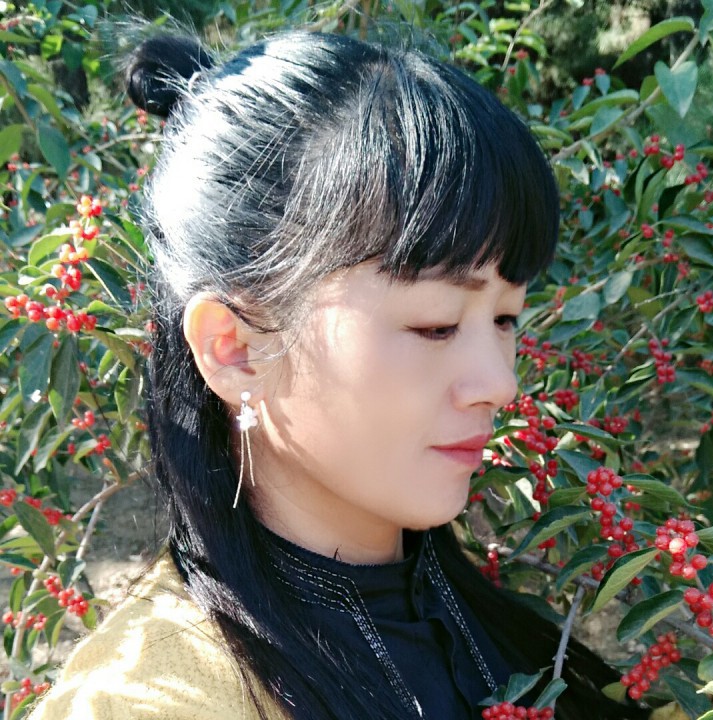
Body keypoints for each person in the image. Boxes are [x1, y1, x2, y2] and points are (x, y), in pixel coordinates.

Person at [29, 30, 655, 720]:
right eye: (436, 325)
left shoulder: (504, 631)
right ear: (236, 350)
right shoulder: (146, 702)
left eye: (506, 319)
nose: (500, 384)